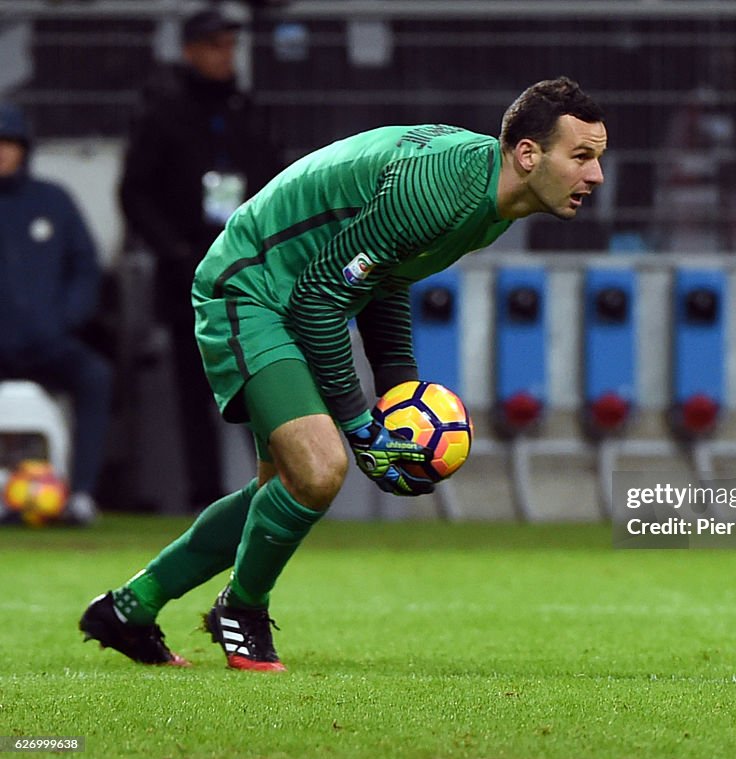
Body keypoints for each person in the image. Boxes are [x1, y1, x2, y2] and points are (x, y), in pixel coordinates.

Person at [80, 77, 607, 670]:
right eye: (581, 157)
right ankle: (242, 610)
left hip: (297, 292)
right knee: (321, 467)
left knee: (280, 488)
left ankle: (129, 607)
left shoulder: (493, 202)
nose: (596, 176)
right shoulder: (442, 189)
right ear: (528, 154)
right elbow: (320, 299)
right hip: (252, 287)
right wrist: (362, 429)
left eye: (598, 159)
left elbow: (387, 277)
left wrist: (400, 393)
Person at [120, 8, 283, 513]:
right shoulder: (164, 112)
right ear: (190, 50)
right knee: (196, 389)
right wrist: (176, 251)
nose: (223, 57)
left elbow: (276, 183)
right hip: (189, 273)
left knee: (261, 382)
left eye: (230, 47)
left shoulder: (245, 110)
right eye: (213, 46)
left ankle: (274, 489)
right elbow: (135, 191)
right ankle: (205, 497)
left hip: (249, 274)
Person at [0, 102, 112, 526]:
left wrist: (64, 320)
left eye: (9, 144)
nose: (3, 154)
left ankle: (80, 495)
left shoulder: (54, 200)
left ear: (24, 149)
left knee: (95, 376)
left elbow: (85, 266)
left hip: (48, 342)